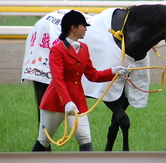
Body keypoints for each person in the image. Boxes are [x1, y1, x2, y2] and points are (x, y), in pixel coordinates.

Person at [31, 10, 127, 152]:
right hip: (56, 102)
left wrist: (114, 71)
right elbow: (58, 79)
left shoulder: (84, 48)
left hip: (77, 102)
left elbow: (92, 75)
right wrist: (67, 102)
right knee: (42, 143)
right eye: (83, 26)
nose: (86, 29)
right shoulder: (57, 50)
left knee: (86, 143)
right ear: (73, 28)